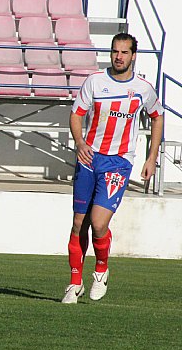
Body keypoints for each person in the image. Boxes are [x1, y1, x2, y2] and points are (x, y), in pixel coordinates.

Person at [62, 33, 163, 304]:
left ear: (133, 56)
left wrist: (151, 157)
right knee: (78, 224)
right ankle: (74, 283)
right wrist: (80, 141)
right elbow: (76, 114)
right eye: (115, 51)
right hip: (89, 158)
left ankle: (101, 269)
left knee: (98, 223)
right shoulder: (94, 81)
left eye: (124, 52)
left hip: (118, 161)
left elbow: (157, 116)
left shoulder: (143, 88)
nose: (119, 56)